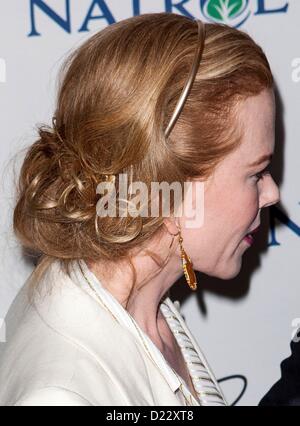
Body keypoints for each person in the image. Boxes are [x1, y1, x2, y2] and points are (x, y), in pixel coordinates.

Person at [0, 12, 280, 406]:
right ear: (171, 189)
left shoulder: (143, 302)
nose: (272, 193)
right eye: (257, 173)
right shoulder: (61, 394)